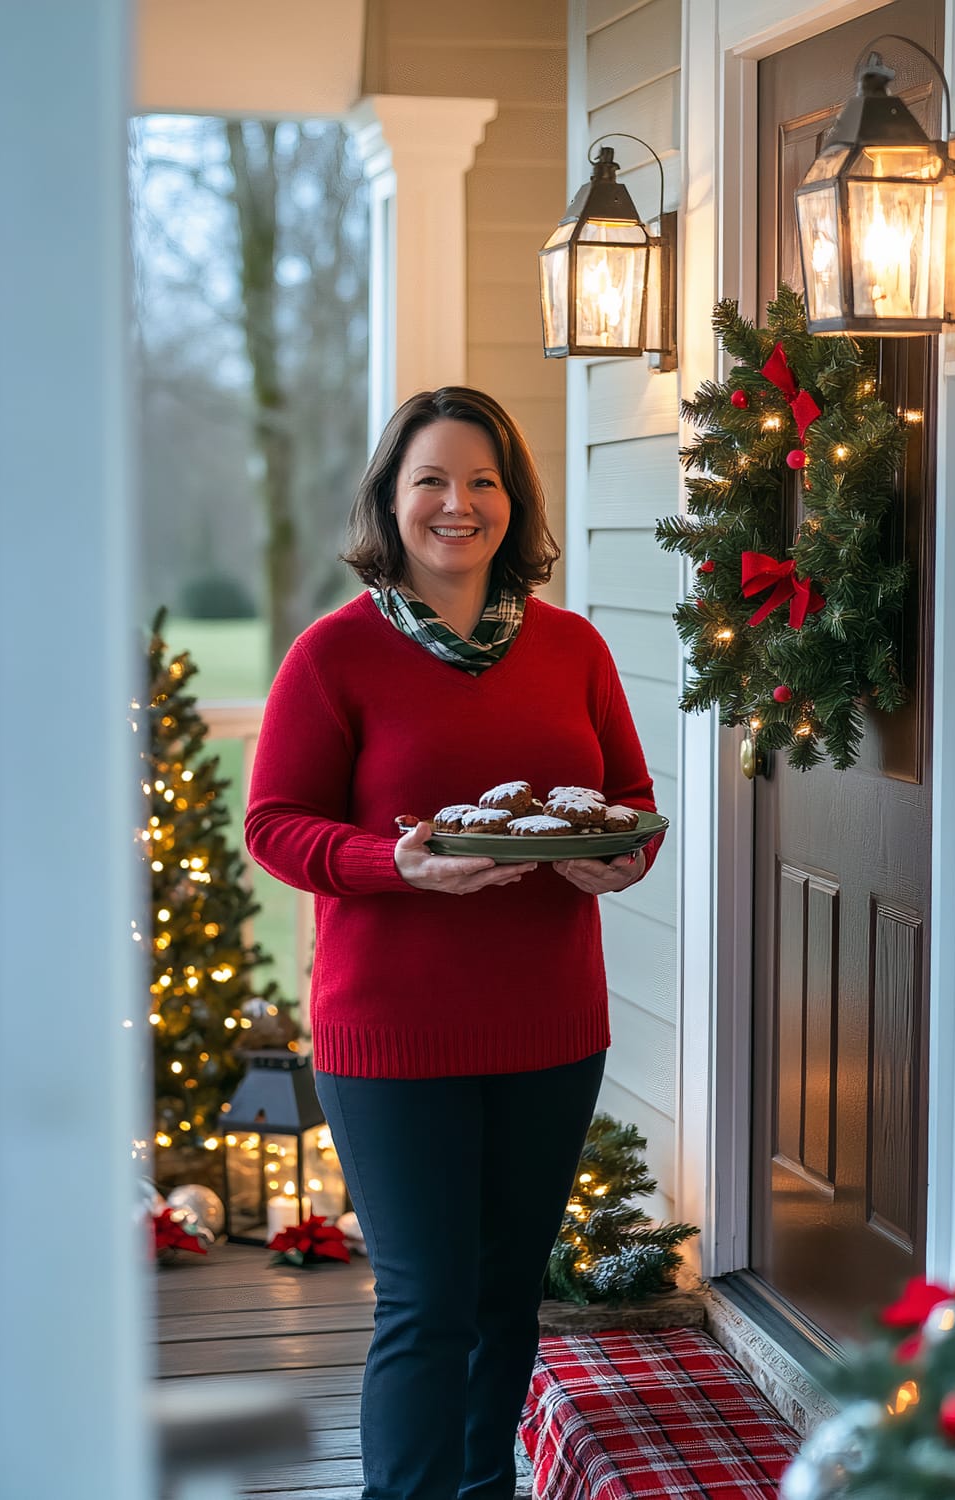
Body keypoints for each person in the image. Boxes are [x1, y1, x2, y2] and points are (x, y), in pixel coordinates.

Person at [245, 386, 662, 1500]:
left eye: (482, 481)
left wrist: (619, 859)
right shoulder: (333, 656)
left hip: (548, 1024)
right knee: (427, 1305)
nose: (457, 504)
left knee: (501, 1297)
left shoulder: (570, 647)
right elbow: (275, 824)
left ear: (511, 504)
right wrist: (400, 866)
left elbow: (625, 800)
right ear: (390, 499)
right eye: (430, 478)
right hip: (392, 1030)